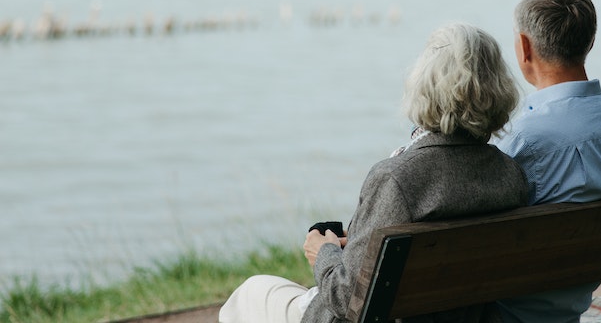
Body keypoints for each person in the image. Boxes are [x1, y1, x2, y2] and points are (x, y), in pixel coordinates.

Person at [220, 23, 528, 323]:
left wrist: (324, 252)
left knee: (251, 293)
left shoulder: (396, 179)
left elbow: (346, 298)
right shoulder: (510, 174)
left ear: (423, 88)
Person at [492, 0, 601, 323]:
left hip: (510, 312)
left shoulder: (521, 140)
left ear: (524, 47)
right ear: (590, 42)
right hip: (573, 303)